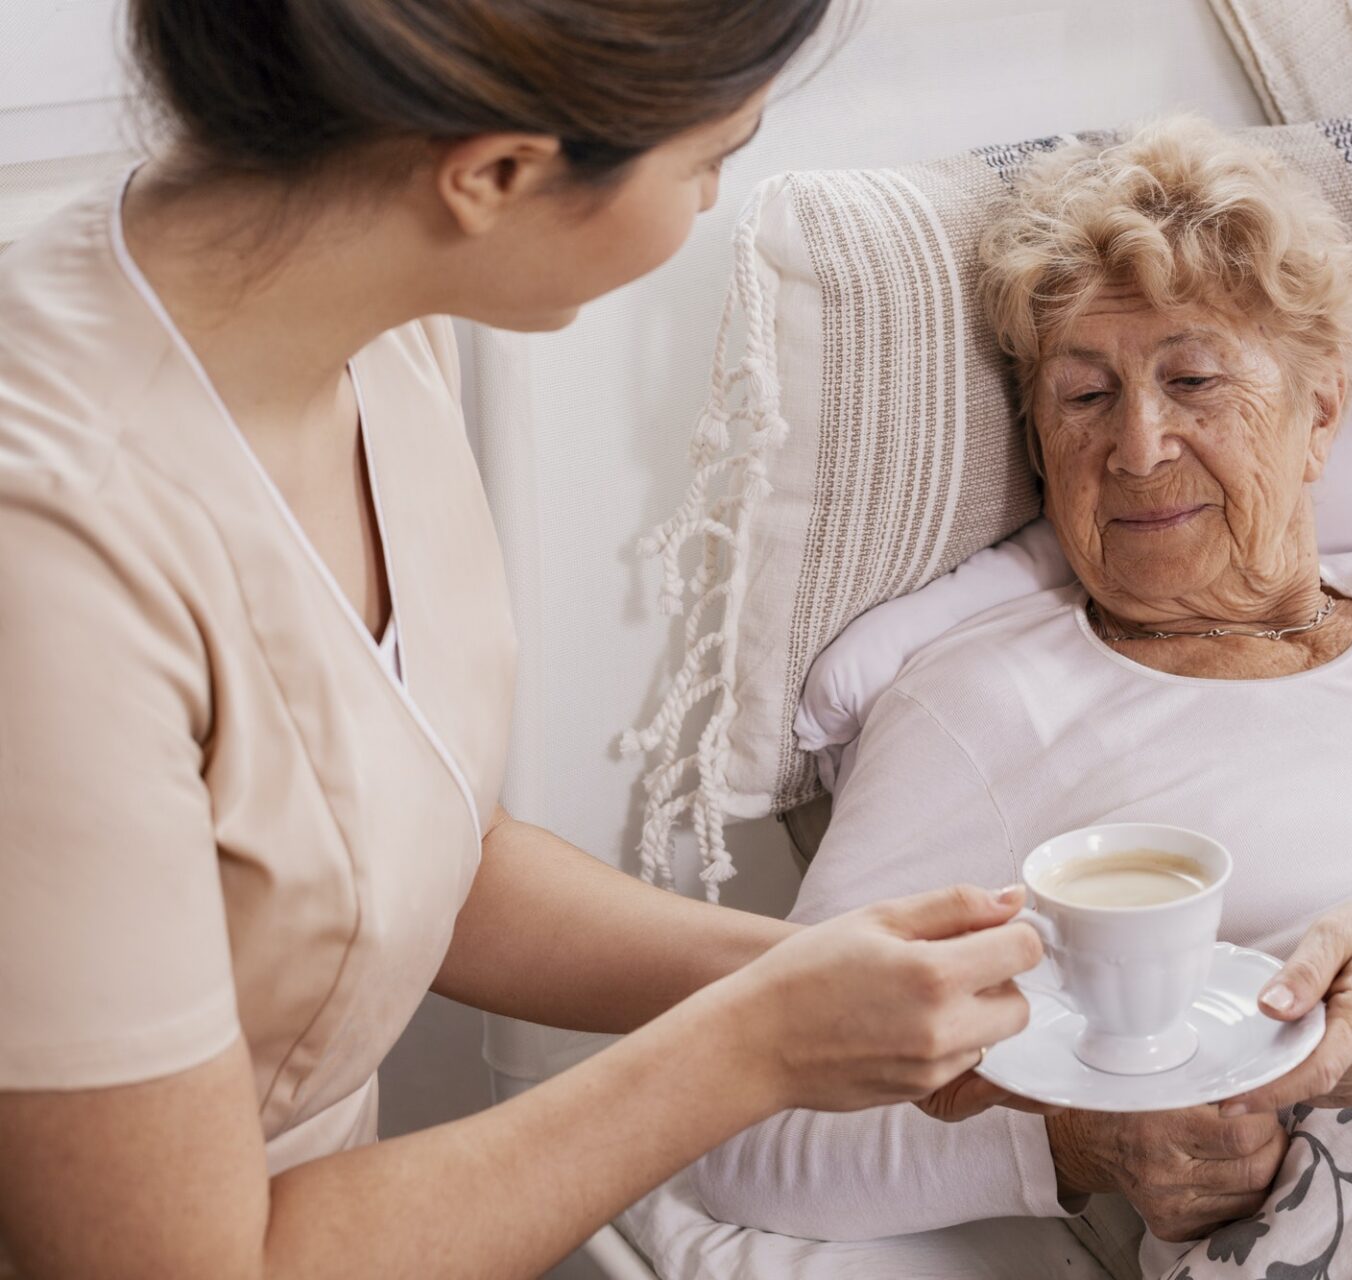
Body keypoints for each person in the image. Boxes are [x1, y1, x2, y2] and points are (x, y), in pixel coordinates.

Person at [0, 3, 1048, 1276]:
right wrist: (756, 1043)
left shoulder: (369, 322)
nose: (715, 201)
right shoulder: (49, 563)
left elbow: (425, 854)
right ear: (495, 173)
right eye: (712, 156)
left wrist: (825, 978)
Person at [690, 116, 1352, 1247]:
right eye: (1085, 395)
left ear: (1319, 412)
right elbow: (756, 1114)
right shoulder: (979, 698)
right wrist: (1081, 1139)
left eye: (1193, 377)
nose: (1141, 444)